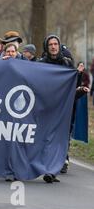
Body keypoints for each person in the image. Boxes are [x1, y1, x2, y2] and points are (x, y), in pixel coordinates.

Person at [39, 35, 89, 182]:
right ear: (46, 47)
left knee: (60, 138)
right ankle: (47, 166)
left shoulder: (67, 62)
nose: (53, 47)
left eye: (56, 44)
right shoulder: (41, 63)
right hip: (47, 107)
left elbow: (72, 85)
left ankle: (52, 171)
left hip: (64, 109)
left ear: (59, 46)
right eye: (51, 45)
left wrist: (78, 74)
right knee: (47, 138)